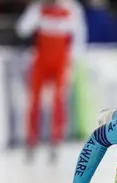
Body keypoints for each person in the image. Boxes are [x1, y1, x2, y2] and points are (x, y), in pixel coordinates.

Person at [16, 0, 87, 163]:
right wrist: (36, 17)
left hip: (61, 60)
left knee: (58, 100)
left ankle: (56, 140)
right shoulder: (38, 8)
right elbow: (22, 29)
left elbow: (80, 35)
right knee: (34, 99)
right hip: (41, 59)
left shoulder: (72, 8)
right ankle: (31, 140)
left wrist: (74, 59)